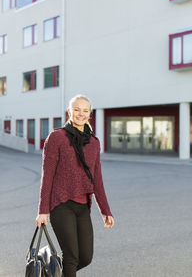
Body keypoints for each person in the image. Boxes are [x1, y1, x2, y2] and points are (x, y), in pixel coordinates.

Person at [36, 94, 114, 277]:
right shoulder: (56, 138)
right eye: (77, 109)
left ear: (90, 114)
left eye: (85, 110)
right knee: (71, 257)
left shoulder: (94, 143)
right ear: (70, 112)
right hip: (60, 204)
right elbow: (47, 176)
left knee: (85, 257)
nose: (81, 113)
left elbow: (97, 179)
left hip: (82, 207)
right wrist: (43, 211)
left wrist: (106, 211)